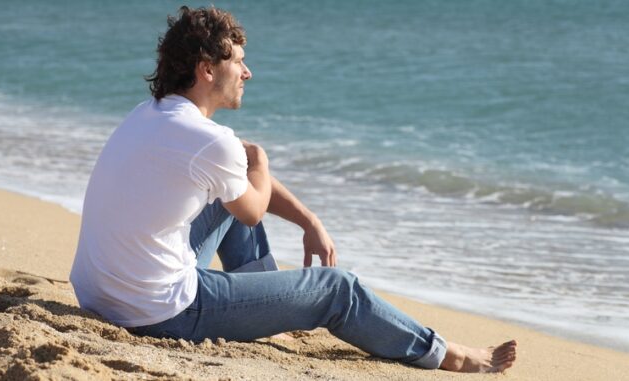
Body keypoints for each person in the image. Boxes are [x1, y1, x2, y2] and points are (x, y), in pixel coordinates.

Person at [69, 6, 516, 373]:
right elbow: (251, 208)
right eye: (237, 61)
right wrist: (260, 159)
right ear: (206, 69)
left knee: (231, 190)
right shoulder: (210, 141)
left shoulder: (152, 113)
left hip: (100, 293)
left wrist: (309, 221)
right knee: (337, 289)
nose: (248, 72)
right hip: (159, 312)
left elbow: (239, 182)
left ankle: (265, 306)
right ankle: (445, 353)